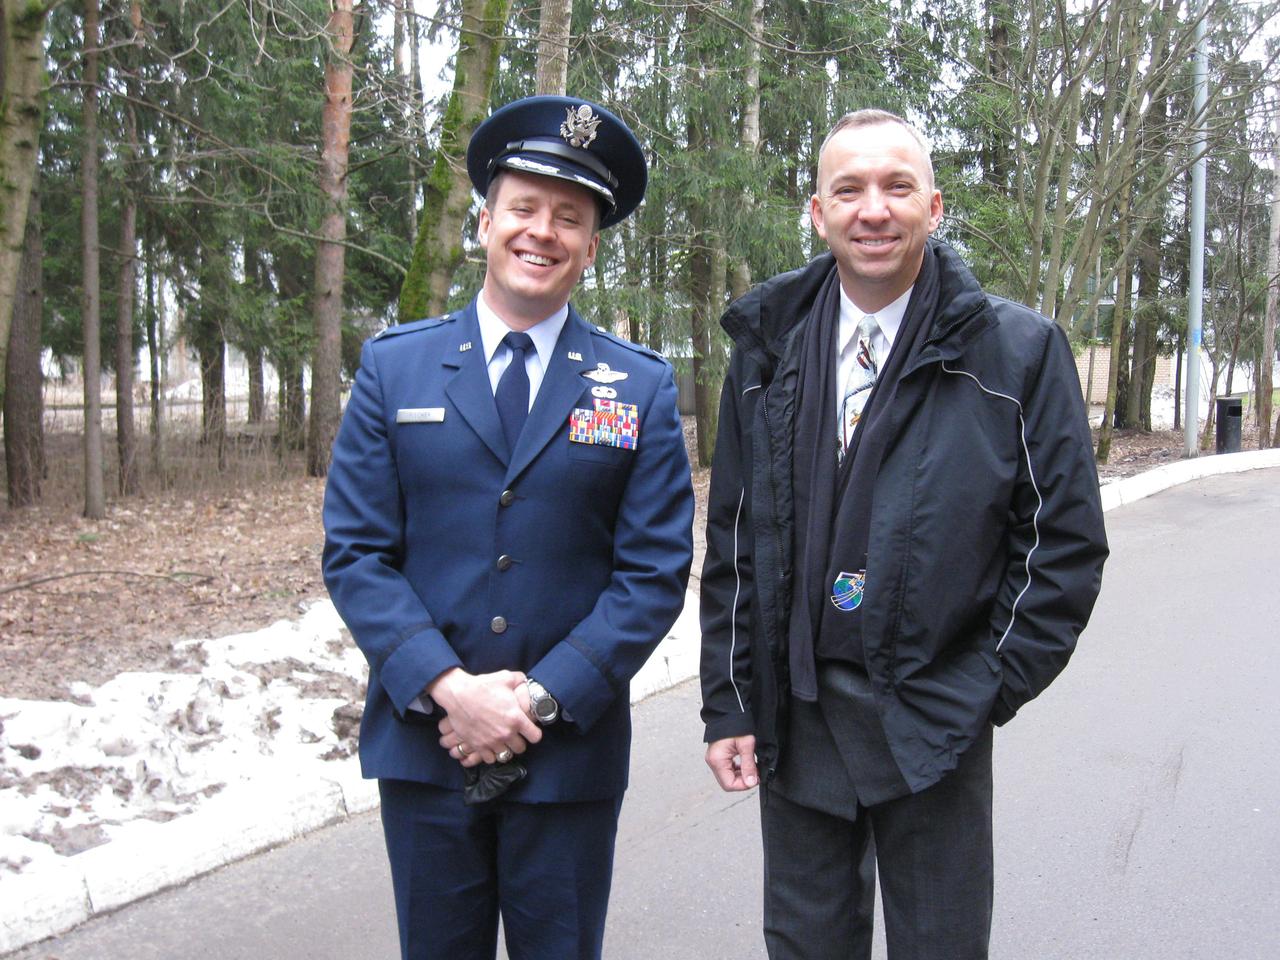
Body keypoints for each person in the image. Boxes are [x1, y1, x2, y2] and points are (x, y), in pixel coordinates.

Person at [698, 108, 1108, 959]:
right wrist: (731, 702)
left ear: (935, 205)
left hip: (931, 724)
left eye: (897, 187)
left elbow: (1061, 549)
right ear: (817, 212)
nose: (873, 209)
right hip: (797, 718)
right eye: (848, 189)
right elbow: (735, 543)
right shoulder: (766, 349)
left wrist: (982, 688)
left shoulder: (1017, 352)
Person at [323, 95, 694, 960]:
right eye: (525, 209)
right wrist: (452, 689)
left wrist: (529, 701)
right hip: (427, 746)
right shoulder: (395, 366)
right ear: (486, 222)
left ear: (591, 247)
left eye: (571, 218)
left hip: (566, 757)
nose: (544, 232)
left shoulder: (636, 388)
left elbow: (652, 574)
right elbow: (357, 552)